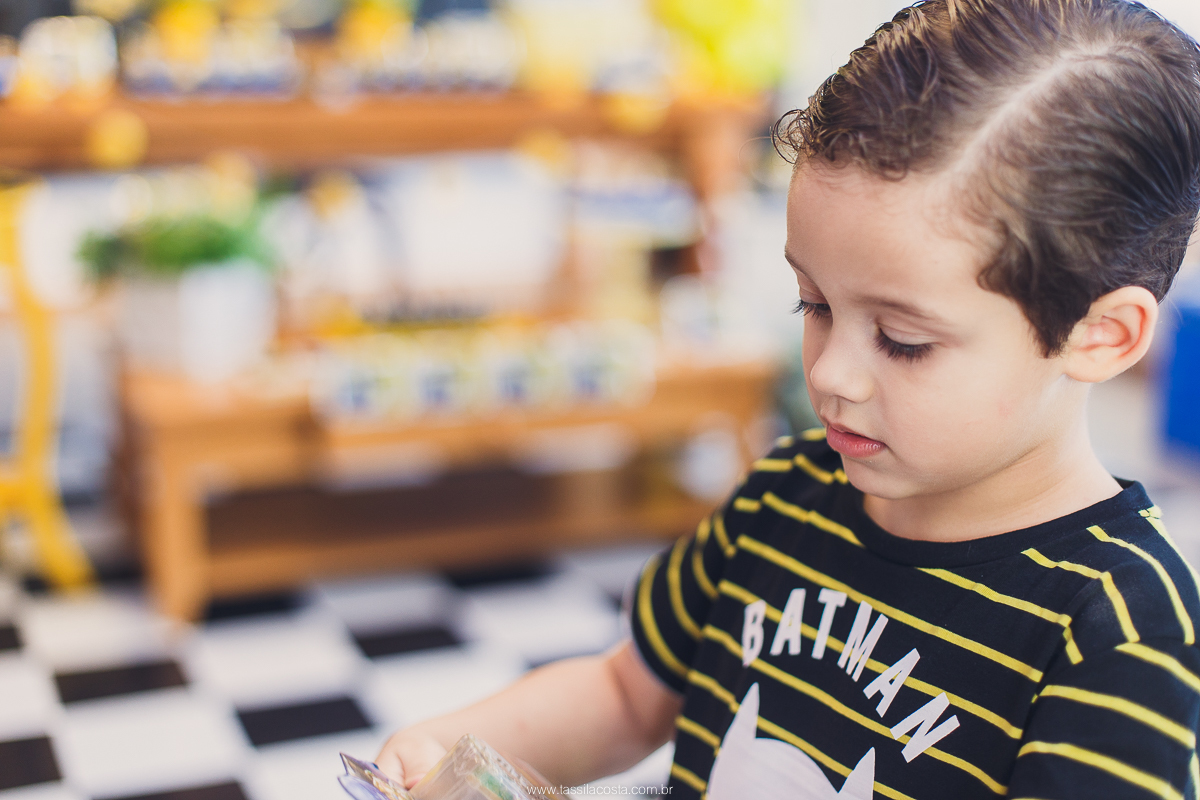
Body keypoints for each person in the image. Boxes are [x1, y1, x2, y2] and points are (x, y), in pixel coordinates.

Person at [376, 1, 1200, 797]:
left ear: (1101, 335)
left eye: (904, 340)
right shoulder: (793, 491)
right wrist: (451, 753)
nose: (832, 374)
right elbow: (628, 697)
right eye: (814, 305)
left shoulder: (1119, 631)